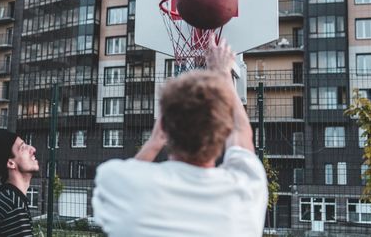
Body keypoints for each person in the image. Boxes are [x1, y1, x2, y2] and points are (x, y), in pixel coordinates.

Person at [92, 36, 268, 237]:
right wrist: (223, 73)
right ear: (224, 131)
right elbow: (241, 131)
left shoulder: (116, 179)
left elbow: (131, 172)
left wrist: (154, 141)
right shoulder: (246, 190)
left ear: (164, 127)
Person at [0, 131, 39, 237]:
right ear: (10, 163)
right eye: (23, 148)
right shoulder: (15, 207)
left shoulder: (9, 198)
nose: (33, 149)